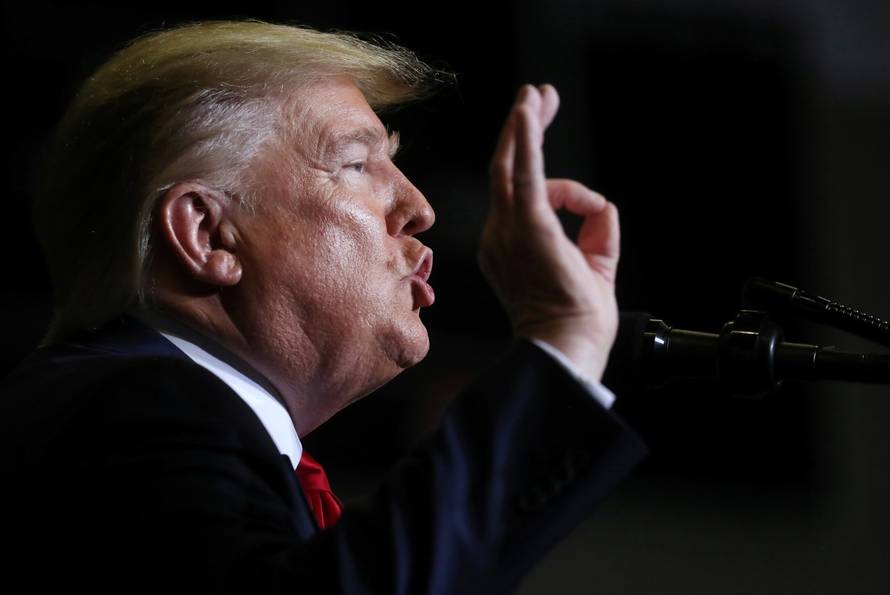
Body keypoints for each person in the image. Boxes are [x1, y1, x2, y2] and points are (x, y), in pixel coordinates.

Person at [0, 20, 646, 593]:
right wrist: (563, 338)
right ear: (206, 234)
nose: (420, 208)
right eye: (358, 162)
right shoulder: (135, 409)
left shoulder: (147, 416)